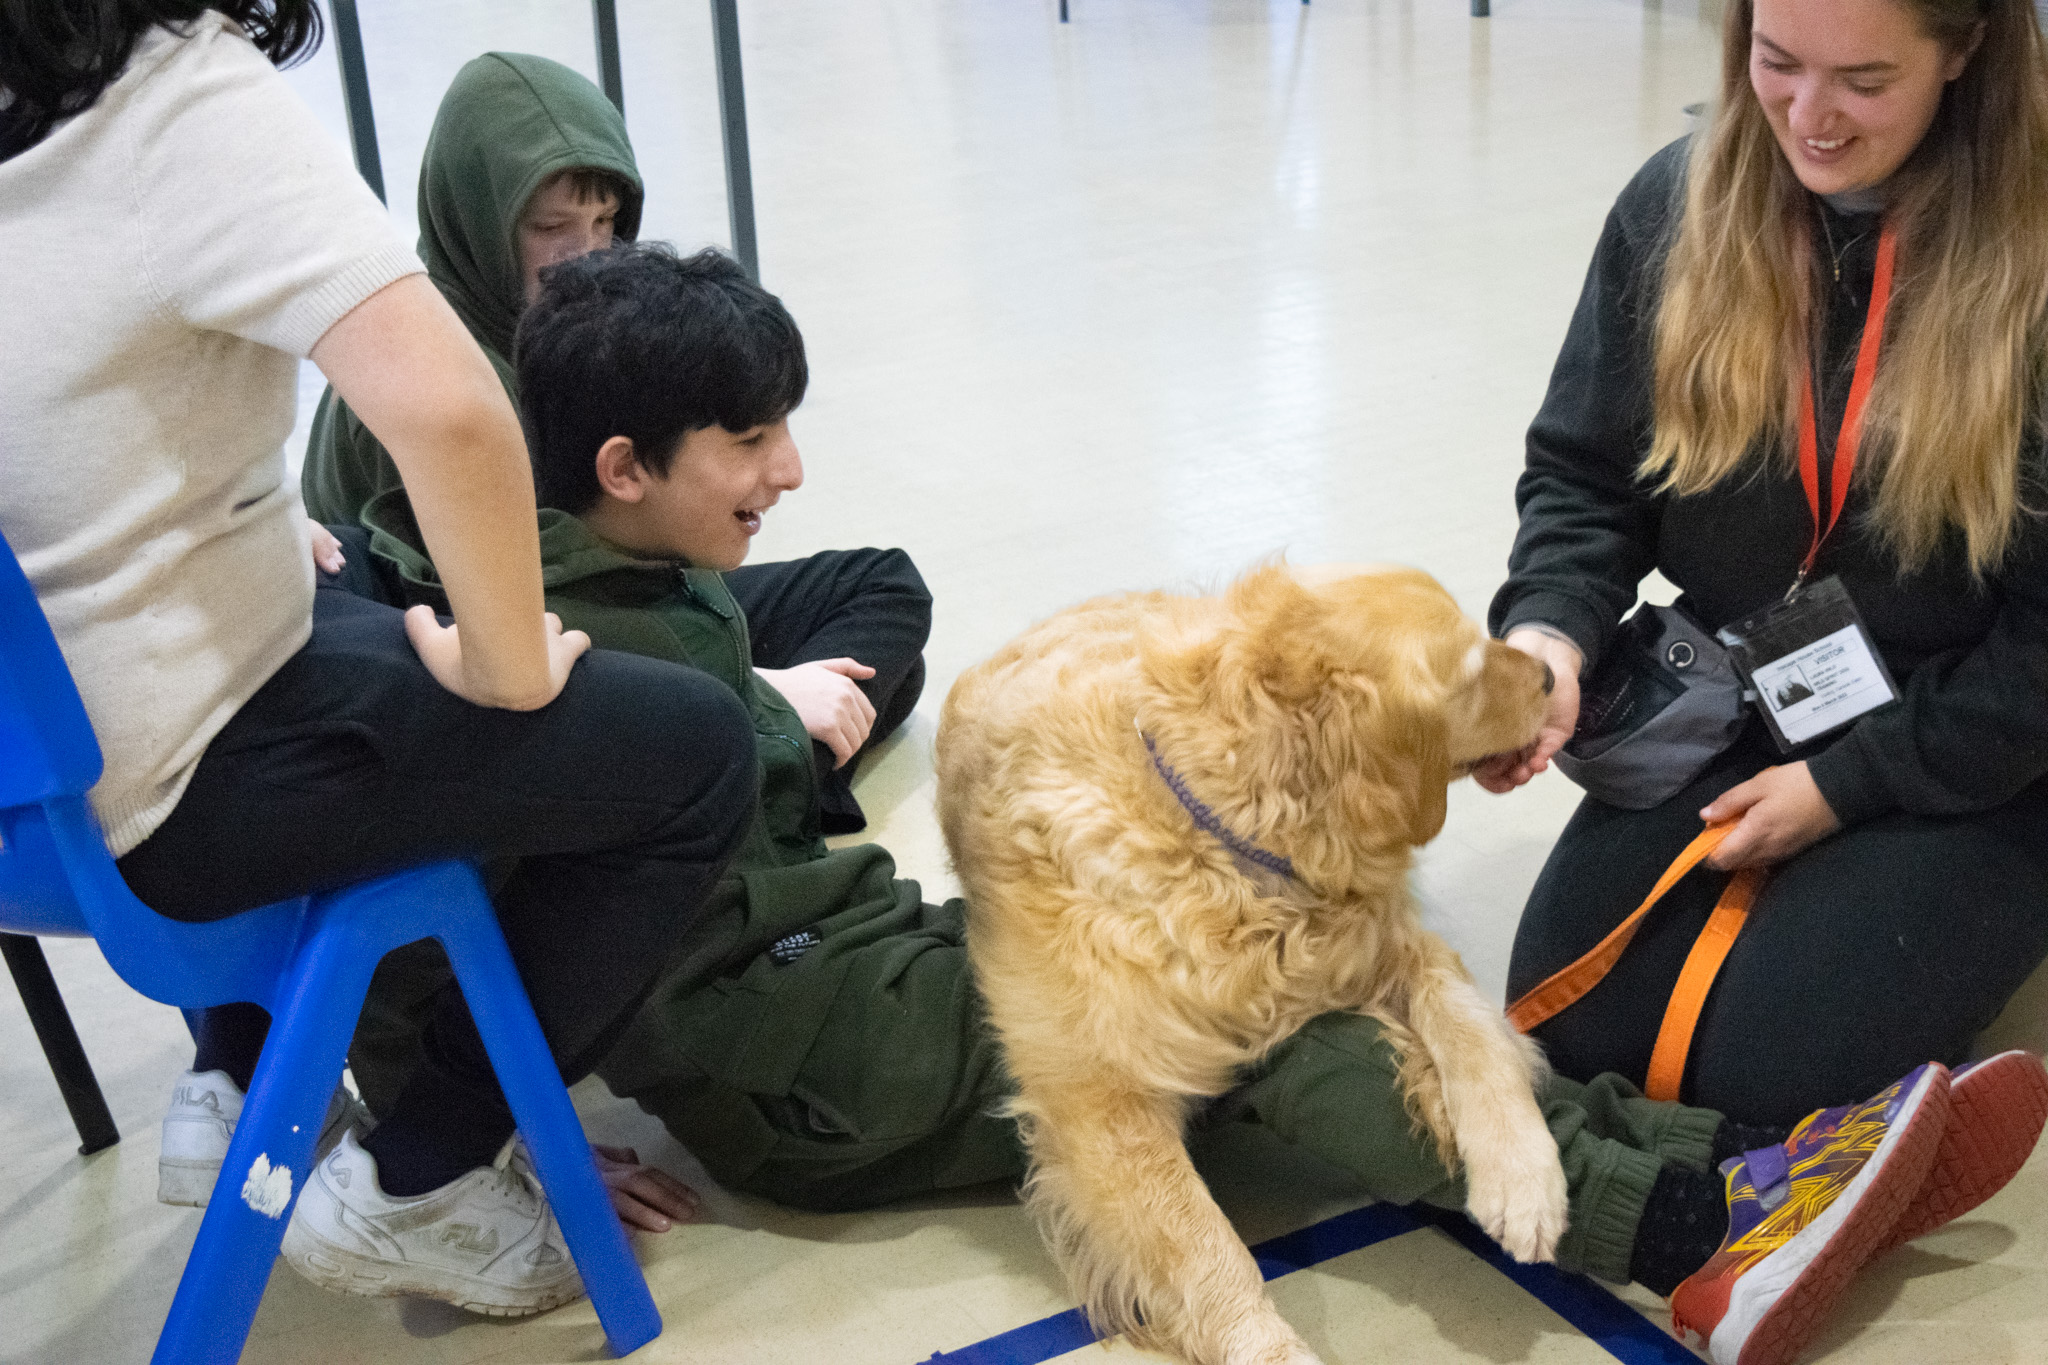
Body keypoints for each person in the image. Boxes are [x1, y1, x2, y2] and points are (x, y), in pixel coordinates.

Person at [350, 242, 2048, 1365]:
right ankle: (1698, 1212)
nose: (786, 468)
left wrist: (819, 708)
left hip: (862, 955)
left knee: (1280, 963)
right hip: (811, 1066)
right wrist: (505, 1140)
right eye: (748, 442)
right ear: (627, 471)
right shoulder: (558, 669)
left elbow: (862, 595)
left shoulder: (631, 572)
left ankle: (1735, 1164)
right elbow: (414, 916)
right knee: (1285, 1043)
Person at [0, 0, 758, 1319]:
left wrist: (204, 516)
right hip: (168, 793)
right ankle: (421, 1174)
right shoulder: (174, 99)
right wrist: (513, 670)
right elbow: (454, 414)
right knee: (693, 752)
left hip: (30, 790)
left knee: (355, 562)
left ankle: (229, 1077)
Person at [1481, 0, 2048, 1129]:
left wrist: (1844, 788)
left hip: (1980, 732)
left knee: (1759, 1074)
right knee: (1567, 1028)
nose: (1807, 116)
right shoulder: (1673, 203)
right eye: (1774, 62)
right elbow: (1583, 478)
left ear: (1965, 49)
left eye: (1863, 81)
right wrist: (1549, 635)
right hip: (1744, 689)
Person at [301, 51, 929, 831]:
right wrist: (761, 691)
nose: (588, 252)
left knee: (882, 607)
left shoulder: (574, 333)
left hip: (605, 585)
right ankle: (759, 778)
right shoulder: (438, 385)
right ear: (478, 220)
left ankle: (771, 771)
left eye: (606, 223)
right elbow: (505, 624)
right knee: (833, 691)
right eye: (551, 227)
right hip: (506, 658)